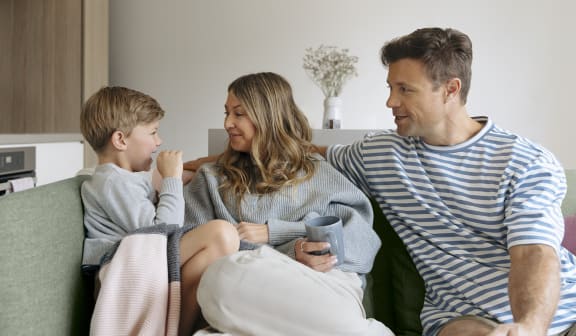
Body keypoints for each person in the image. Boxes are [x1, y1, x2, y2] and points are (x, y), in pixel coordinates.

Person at [309, 28, 576, 336]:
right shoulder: (380, 154)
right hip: (460, 319)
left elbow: (534, 252)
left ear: (451, 89)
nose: (390, 101)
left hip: (563, 315)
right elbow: (303, 153)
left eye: (405, 89)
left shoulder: (525, 161)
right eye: (390, 88)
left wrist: (529, 327)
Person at [183, 72, 392, 336]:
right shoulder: (212, 178)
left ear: (268, 116)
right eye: (226, 113)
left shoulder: (318, 172)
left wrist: (277, 234)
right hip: (248, 289)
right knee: (221, 276)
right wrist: (287, 253)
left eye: (239, 114)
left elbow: (360, 244)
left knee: (223, 279)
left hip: (322, 283)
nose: (227, 123)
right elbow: (195, 255)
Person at [80, 86, 239, 336]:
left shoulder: (127, 178)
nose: (159, 141)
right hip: (122, 267)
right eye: (153, 132)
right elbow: (162, 231)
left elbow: (156, 184)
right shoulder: (111, 183)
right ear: (120, 140)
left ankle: (183, 328)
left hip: (140, 260)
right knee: (221, 234)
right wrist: (172, 179)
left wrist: (193, 170)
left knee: (214, 249)